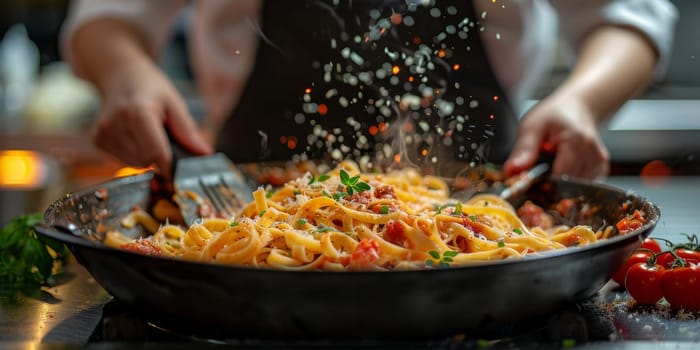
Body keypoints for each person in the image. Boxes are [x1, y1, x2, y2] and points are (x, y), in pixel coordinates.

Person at [60, 0, 677, 181]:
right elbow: (111, 17)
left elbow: (629, 15)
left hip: (489, 207)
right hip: (243, 199)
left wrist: (581, 101)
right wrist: (126, 74)